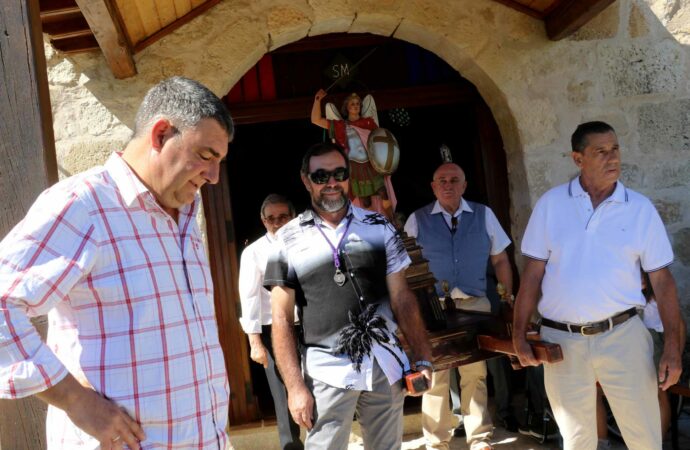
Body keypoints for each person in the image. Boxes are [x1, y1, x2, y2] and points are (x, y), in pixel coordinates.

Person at [0, 77, 234, 449]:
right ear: (160, 135)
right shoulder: (82, 204)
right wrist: (75, 401)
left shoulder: (186, 210)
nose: (214, 176)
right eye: (206, 156)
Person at [513, 121, 683, 450]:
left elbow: (663, 282)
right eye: (600, 151)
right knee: (577, 440)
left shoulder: (639, 209)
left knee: (645, 438)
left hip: (624, 336)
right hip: (561, 339)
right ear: (578, 159)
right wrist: (519, 335)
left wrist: (673, 350)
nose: (612, 158)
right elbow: (532, 274)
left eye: (615, 149)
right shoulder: (551, 204)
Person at [265, 142, 433, 449]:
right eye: (321, 176)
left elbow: (402, 297)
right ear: (306, 180)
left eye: (339, 173)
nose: (331, 182)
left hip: (386, 366)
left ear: (348, 177)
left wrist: (422, 357)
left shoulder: (379, 226)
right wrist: (294, 386)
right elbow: (281, 319)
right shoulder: (287, 239)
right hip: (327, 372)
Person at [404, 162, 515, 450]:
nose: (448, 184)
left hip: (474, 303)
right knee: (435, 373)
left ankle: (479, 438)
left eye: (454, 179)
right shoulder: (417, 219)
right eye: (442, 180)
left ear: (464, 185)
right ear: (433, 186)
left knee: (475, 373)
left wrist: (506, 296)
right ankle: (436, 441)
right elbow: (404, 267)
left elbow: (500, 259)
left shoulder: (483, 214)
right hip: (432, 307)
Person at [594, 270, 687, 449]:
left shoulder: (655, 295)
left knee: (657, 393)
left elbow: (679, 325)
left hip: (653, 342)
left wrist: (675, 357)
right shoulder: (616, 293)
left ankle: (654, 444)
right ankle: (600, 444)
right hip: (620, 343)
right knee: (594, 389)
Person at [239, 194, 302, 449]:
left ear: (293, 217)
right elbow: (249, 297)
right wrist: (254, 342)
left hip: (310, 325)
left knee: (319, 386)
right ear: (263, 221)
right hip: (273, 331)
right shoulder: (253, 252)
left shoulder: (308, 244)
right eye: (271, 218)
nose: (277, 223)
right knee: (283, 393)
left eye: (283, 217)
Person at [311, 89, 396, 219]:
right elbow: (315, 120)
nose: (356, 106)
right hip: (354, 167)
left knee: (383, 193)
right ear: (347, 108)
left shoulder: (368, 123)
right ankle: (371, 226)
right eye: (352, 104)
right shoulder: (340, 125)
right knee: (365, 201)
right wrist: (318, 100)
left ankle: (392, 222)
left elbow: (380, 142)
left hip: (370, 165)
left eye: (357, 103)